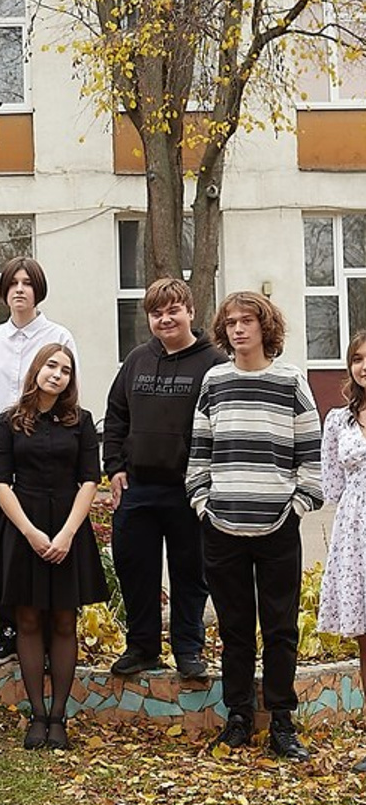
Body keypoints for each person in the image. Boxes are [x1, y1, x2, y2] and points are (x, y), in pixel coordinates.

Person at [187, 291, 323, 761]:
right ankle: (239, 717)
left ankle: (283, 723)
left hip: (277, 528)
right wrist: (202, 502)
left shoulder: (290, 381)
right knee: (235, 629)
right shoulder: (215, 381)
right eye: (230, 323)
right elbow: (199, 450)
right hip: (221, 526)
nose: (238, 329)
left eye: (248, 321)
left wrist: (299, 506)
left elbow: (310, 452)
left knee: (281, 628)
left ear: (266, 327)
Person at [103, 277, 225, 679]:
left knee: (191, 575)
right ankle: (142, 647)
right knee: (136, 571)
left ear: (190, 311)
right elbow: (116, 415)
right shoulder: (137, 359)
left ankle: (189, 650)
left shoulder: (214, 364)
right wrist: (115, 468)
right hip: (138, 488)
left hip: (189, 491)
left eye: (173, 310)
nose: (165, 319)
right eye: (157, 313)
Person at [0, 344, 105, 751]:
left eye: (66, 369)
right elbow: (0, 481)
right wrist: (31, 533)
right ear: (37, 369)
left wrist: (68, 534)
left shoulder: (82, 422)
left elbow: (90, 480)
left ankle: (59, 717)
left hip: (68, 526)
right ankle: (36, 716)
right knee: (28, 621)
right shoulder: (9, 422)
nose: (57, 374)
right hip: (24, 527)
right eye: (51, 366)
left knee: (62, 621)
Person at [0, 257, 77, 668]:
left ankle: (48, 639)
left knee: (44, 555)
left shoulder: (58, 335)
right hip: (0, 467)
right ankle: (6, 633)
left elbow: (69, 393)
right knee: (0, 552)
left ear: (38, 290)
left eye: (27, 283)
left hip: (43, 468)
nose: (19, 290)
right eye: (12, 283)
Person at [316, 330, 366, 772]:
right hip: (356, 530)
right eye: (357, 358)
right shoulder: (338, 421)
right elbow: (331, 483)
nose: (364, 365)